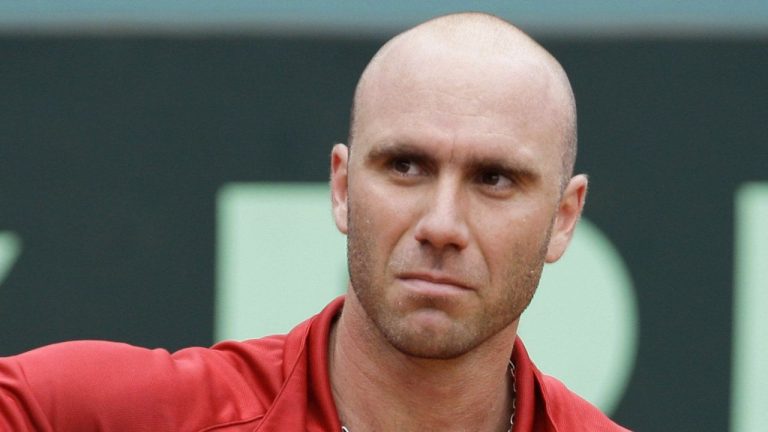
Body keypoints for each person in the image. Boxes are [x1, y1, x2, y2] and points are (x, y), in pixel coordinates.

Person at [0, 12, 630, 432]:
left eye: (493, 179)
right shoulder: (103, 413)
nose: (441, 224)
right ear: (344, 187)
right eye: (406, 166)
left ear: (563, 218)